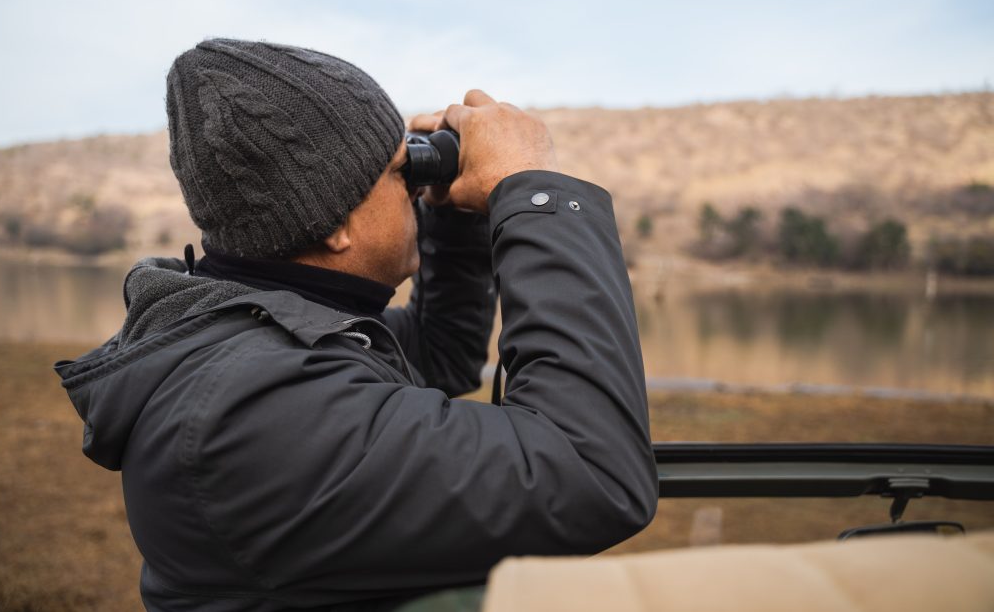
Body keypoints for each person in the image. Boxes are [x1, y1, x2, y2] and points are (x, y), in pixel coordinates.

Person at [55, 38, 657, 611]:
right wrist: (536, 195)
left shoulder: (263, 342)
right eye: (401, 174)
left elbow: (439, 356)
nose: (415, 188)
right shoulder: (251, 414)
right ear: (334, 226)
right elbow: (590, 470)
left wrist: (450, 222)